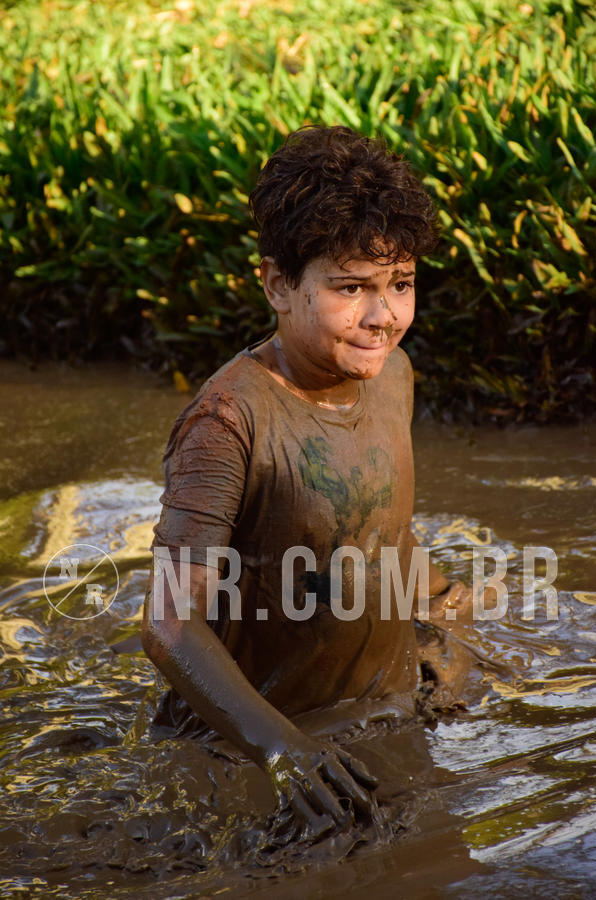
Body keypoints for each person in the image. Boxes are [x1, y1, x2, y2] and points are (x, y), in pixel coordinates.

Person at [142, 124, 471, 838]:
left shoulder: (392, 377)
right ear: (278, 284)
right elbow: (169, 624)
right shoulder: (228, 420)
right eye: (351, 287)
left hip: (377, 718)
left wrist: (444, 624)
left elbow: (384, 527)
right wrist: (281, 749)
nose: (383, 317)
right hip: (257, 750)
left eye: (401, 285)